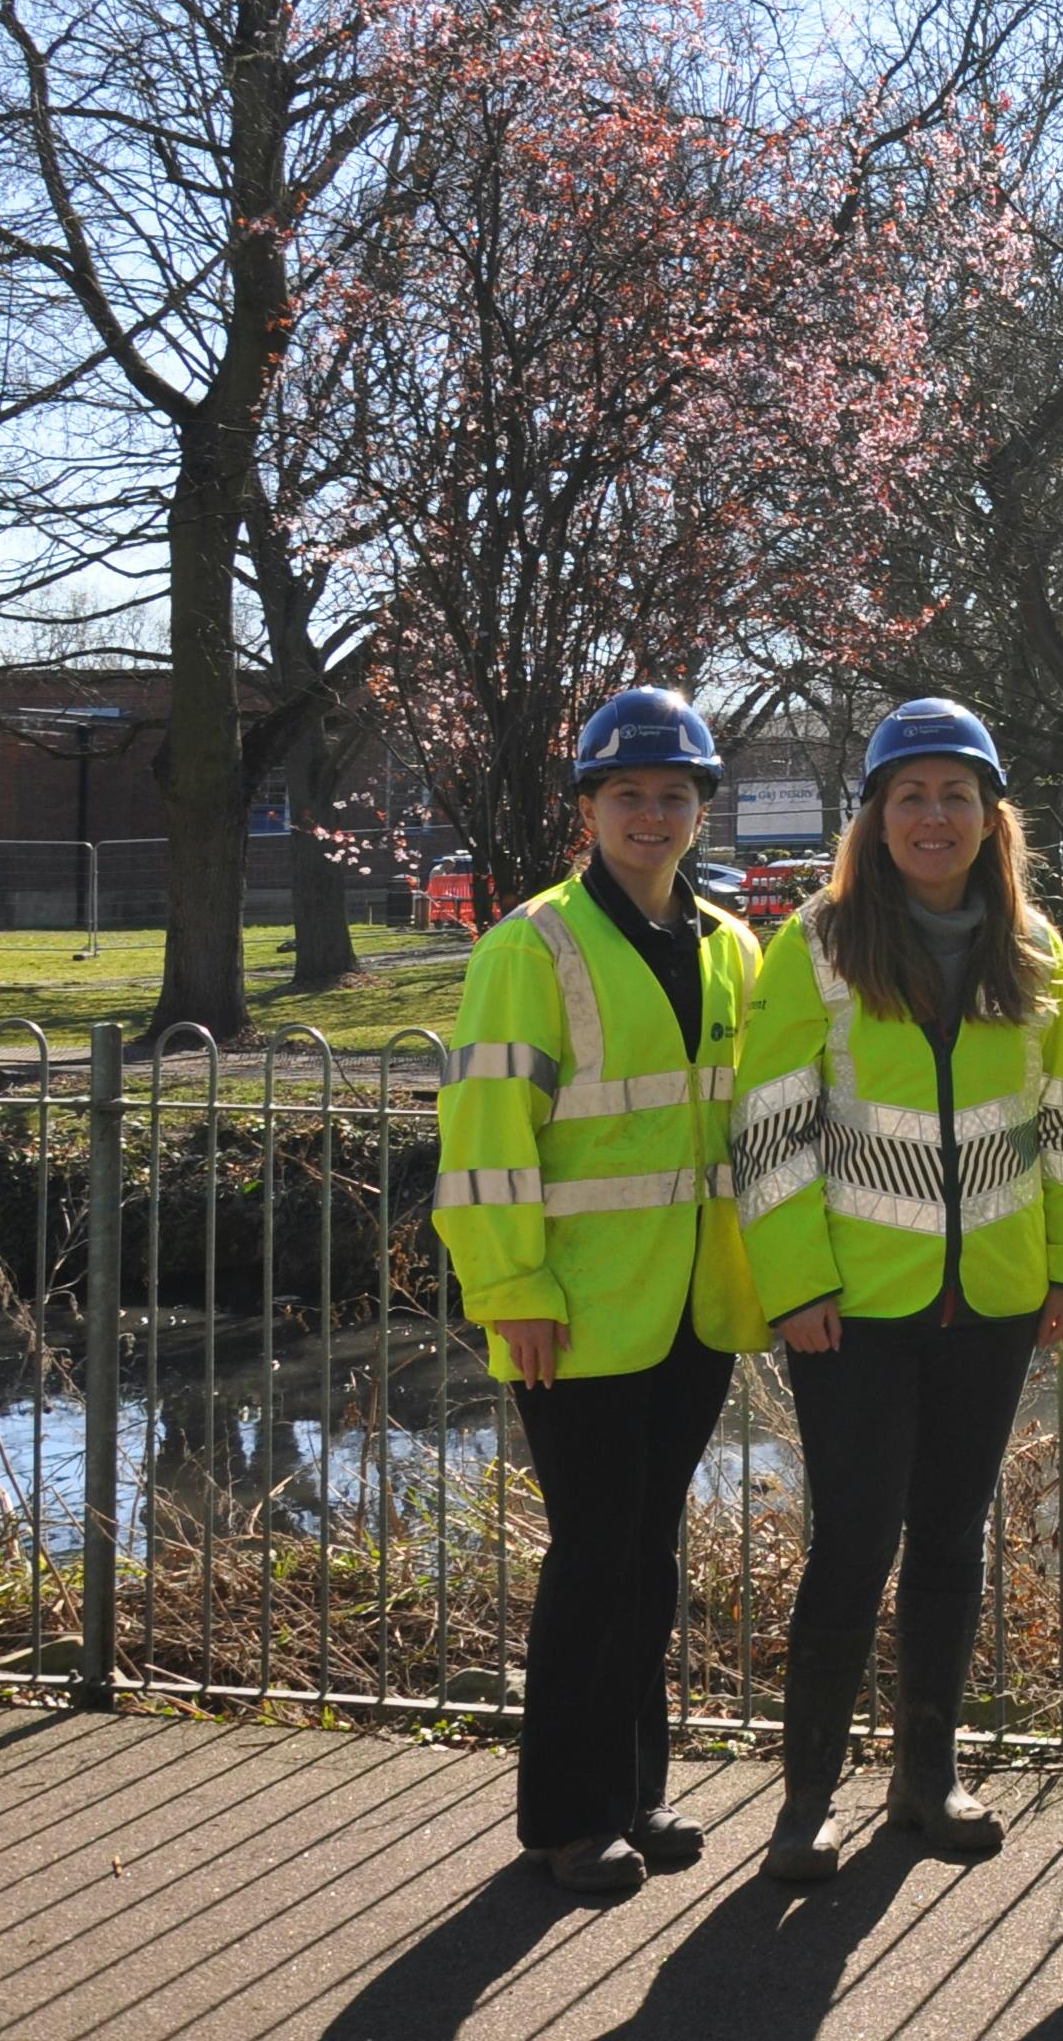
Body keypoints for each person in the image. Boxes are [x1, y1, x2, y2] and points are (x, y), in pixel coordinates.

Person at [730, 699, 1063, 1882]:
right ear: (876, 818)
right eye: (911, 796)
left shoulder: (1035, 949)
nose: (933, 816)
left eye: (955, 795)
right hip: (853, 1308)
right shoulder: (820, 945)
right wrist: (794, 1284)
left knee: (950, 1539)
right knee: (852, 1543)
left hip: (990, 1302)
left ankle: (927, 1776)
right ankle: (806, 1800)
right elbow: (768, 1129)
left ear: (989, 816)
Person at [432, 688, 767, 1897]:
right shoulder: (533, 944)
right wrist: (512, 1285)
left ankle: (637, 1789)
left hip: (691, 1307)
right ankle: (566, 1819)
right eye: (628, 792)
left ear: (698, 809)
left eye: (675, 794)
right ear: (588, 808)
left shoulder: (732, 945)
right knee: (592, 1561)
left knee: (650, 1555)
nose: (653, 812)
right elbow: (483, 1133)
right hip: (570, 1309)